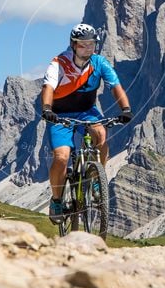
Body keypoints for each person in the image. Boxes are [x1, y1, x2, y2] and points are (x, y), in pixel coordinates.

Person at [41, 23, 133, 222]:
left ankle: (96, 178)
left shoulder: (99, 63)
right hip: (60, 114)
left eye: (91, 44)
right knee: (62, 157)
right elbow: (48, 87)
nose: (88, 48)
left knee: (100, 134)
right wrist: (47, 109)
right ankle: (56, 200)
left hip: (87, 112)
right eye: (83, 45)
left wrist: (125, 109)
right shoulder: (59, 63)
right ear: (73, 45)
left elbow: (115, 86)